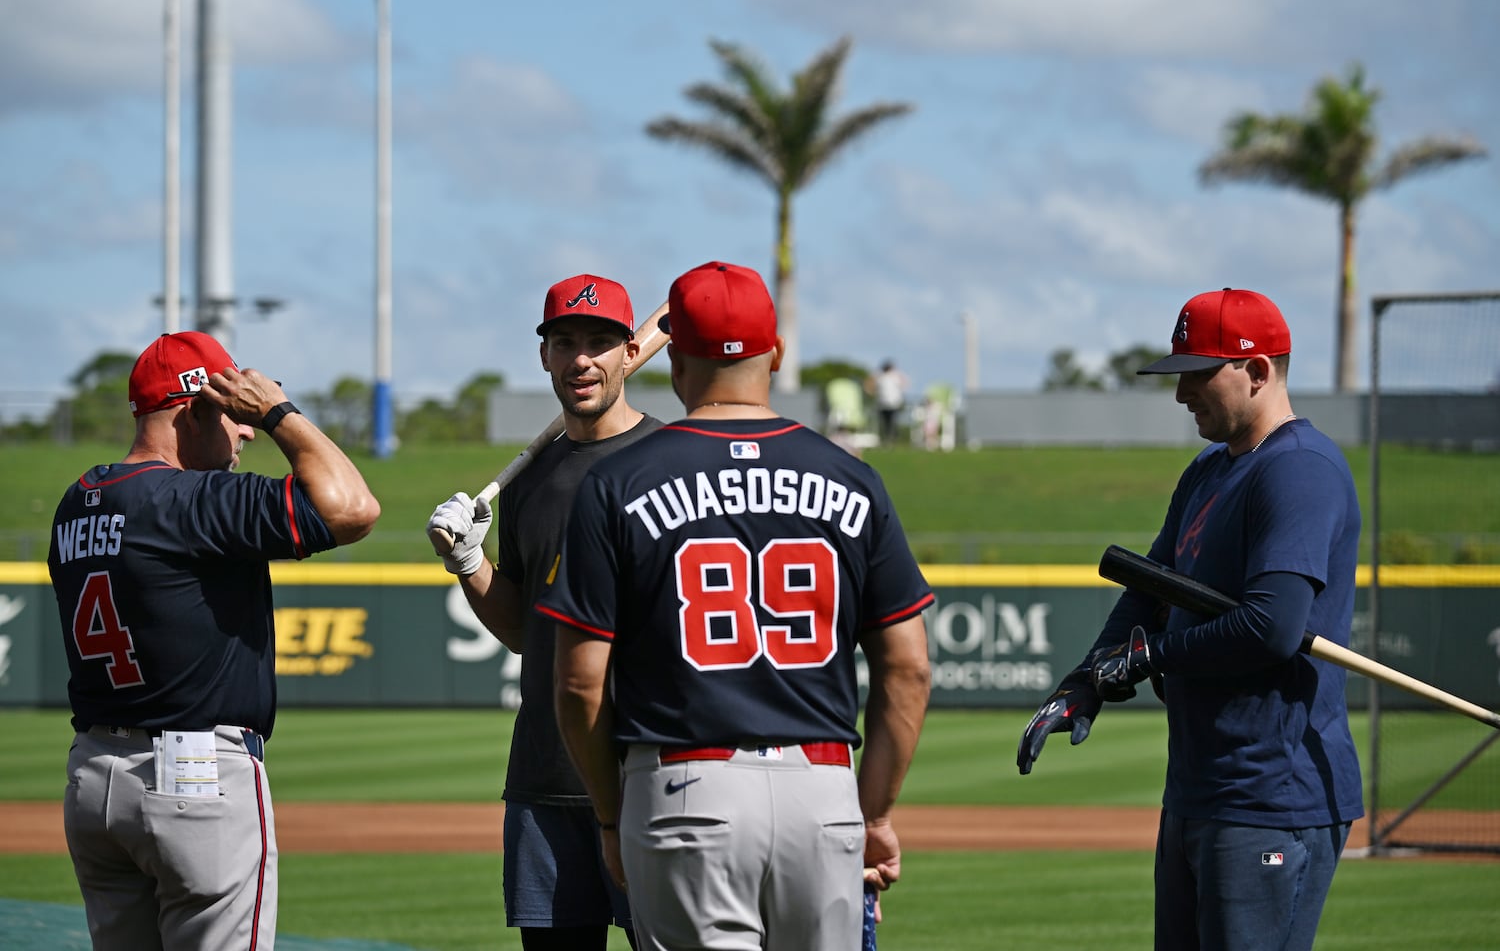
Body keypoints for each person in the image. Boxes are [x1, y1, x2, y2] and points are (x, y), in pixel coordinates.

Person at [540, 260, 934, 951]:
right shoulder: (853, 479)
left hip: (684, 790)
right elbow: (908, 671)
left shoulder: (618, 483)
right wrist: (870, 814)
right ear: (776, 354)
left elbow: (578, 682)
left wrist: (609, 817)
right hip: (823, 787)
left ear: (673, 361)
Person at [1017, 288, 1363, 951]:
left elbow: (1274, 626)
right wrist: (1084, 681)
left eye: (1198, 374)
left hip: (1270, 797)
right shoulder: (1209, 469)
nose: (1181, 394)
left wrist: (1151, 659)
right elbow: (1148, 590)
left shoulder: (1299, 471)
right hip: (1200, 790)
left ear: (1257, 371)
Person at [47, 330, 381, 950]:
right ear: (196, 408)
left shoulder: (76, 503)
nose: (246, 431)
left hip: (93, 778)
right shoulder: (197, 501)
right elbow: (354, 508)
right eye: (235, 413)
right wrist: (281, 413)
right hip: (194, 777)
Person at [426, 274, 660, 950]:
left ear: (626, 354)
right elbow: (528, 633)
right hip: (545, 774)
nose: (581, 360)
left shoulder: (669, 462)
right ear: (545, 357)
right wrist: (470, 564)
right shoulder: (529, 482)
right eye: (565, 343)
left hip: (647, 770)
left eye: (598, 343)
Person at [867, 359, 909, 446]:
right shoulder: (880, 376)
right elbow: (870, 384)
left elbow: (904, 383)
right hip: (882, 404)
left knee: (892, 423)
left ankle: (891, 439)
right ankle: (886, 439)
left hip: (893, 404)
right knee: (885, 423)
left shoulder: (895, 376)